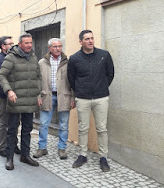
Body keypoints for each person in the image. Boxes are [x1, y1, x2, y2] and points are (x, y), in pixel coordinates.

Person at [68, 29, 114, 172]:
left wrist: (101, 87)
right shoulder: (74, 58)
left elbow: (110, 74)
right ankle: (82, 155)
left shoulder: (104, 55)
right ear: (81, 42)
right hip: (83, 98)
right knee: (83, 128)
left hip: (101, 97)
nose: (90, 41)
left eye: (92, 38)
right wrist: (81, 90)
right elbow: (71, 78)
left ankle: (103, 157)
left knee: (102, 128)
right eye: (87, 39)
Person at [0, 34, 41, 170]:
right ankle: (9, 158)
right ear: (20, 44)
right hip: (15, 101)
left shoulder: (34, 58)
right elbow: (1, 75)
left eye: (30, 43)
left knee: (27, 129)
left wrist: (38, 93)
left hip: (30, 101)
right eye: (26, 43)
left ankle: (25, 155)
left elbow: (38, 77)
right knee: (12, 130)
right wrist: (9, 91)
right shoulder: (11, 57)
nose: (29, 45)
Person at [34, 38, 75, 160]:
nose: (58, 49)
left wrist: (73, 97)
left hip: (64, 96)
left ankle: (62, 148)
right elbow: (37, 81)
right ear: (49, 48)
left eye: (60, 46)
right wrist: (38, 96)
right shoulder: (42, 62)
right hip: (47, 96)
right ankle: (42, 148)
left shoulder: (68, 62)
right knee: (43, 124)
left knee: (63, 125)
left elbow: (73, 81)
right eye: (55, 47)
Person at [0, 36, 21, 157]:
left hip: (15, 95)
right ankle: (2, 147)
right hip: (4, 96)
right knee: (4, 121)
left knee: (15, 121)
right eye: (10, 43)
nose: (13, 45)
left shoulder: (13, 57)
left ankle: (13, 144)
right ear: (3, 46)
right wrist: (5, 93)